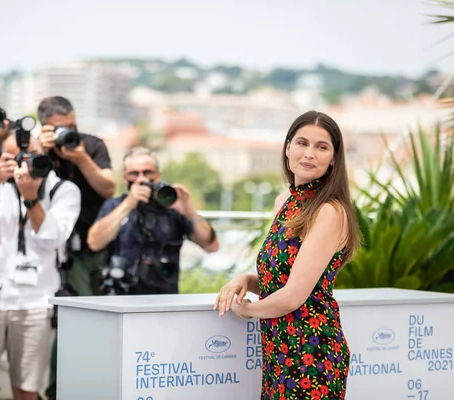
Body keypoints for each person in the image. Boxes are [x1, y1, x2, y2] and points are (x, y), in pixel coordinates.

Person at [214, 111, 360, 400]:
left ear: (333, 158)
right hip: (279, 351)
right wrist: (244, 279)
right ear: (288, 147)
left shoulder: (329, 211)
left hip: (311, 354)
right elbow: (280, 278)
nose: (309, 154)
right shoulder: (285, 201)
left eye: (322, 147)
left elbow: (294, 296)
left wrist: (246, 311)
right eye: (302, 143)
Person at [0, 134, 80, 400]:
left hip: (36, 301)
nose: (23, 165)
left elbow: (52, 238)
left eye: (31, 156)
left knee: (27, 389)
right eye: (14, 157)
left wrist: (31, 199)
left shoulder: (63, 189)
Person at [37, 96, 115, 400]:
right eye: (59, 129)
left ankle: (76, 386)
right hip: (46, 246)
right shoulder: (38, 149)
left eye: (72, 126)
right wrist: (39, 151)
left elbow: (109, 187)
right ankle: (56, 388)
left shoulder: (90, 145)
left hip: (87, 248)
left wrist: (80, 158)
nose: (67, 134)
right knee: (57, 321)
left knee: (81, 316)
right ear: (45, 128)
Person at [87, 146, 219, 295]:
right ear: (125, 178)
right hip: (122, 295)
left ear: (158, 175)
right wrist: (128, 205)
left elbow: (212, 246)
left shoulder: (173, 208)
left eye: (148, 172)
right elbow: (94, 242)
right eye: (134, 174)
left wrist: (189, 212)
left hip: (164, 296)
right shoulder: (116, 205)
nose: (142, 179)